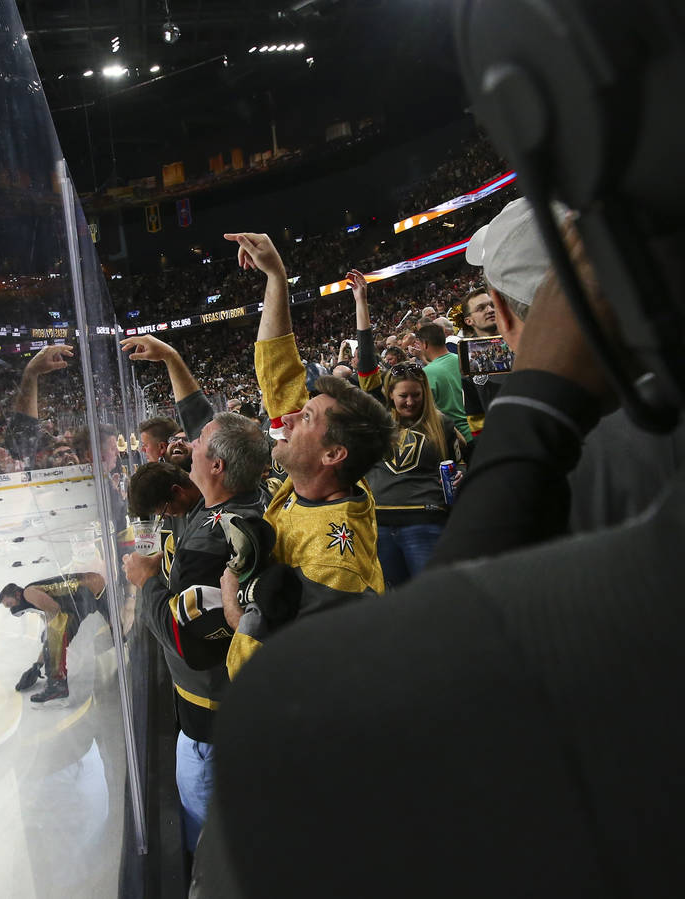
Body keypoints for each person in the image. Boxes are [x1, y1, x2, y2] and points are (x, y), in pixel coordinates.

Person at [204, 2, 685, 894]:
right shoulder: (316, 466)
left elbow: (422, 702)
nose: (297, 419)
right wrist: (275, 281)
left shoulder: (589, 457)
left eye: (312, 417)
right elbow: (284, 391)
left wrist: (537, 412)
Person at [219, 231, 395, 677]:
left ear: (333, 453)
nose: (288, 419)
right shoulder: (312, 483)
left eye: (307, 418)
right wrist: (276, 278)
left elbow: (284, 676)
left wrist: (236, 612)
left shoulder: (334, 561)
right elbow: (278, 377)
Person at [121, 412, 269, 855]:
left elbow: (189, 645)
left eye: (198, 444)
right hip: (238, 697)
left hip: (210, 709)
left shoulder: (209, 541)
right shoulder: (239, 504)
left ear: (218, 466)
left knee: (210, 834)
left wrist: (146, 583)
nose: (186, 448)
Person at [348, 269, 463, 586]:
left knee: (435, 599)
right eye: (403, 397)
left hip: (426, 521)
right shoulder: (380, 417)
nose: (410, 402)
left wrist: (461, 473)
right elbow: (368, 363)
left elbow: (459, 464)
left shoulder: (442, 423)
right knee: (397, 606)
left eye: (415, 396)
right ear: (389, 396)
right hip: (381, 525)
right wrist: (361, 301)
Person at [0, 571, 108, 705]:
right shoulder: (34, 598)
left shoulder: (29, 593)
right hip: (87, 592)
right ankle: (56, 682)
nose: (12, 609)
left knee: (52, 638)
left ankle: (56, 685)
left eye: (10, 604)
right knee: (51, 639)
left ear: (17, 594)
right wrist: (37, 665)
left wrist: (46, 648)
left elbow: (54, 610)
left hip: (85, 592)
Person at [415, 321, 471, 441]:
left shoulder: (426, 373)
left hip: (459, 438)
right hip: (480, 429)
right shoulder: (465, 360)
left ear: (424, 344)